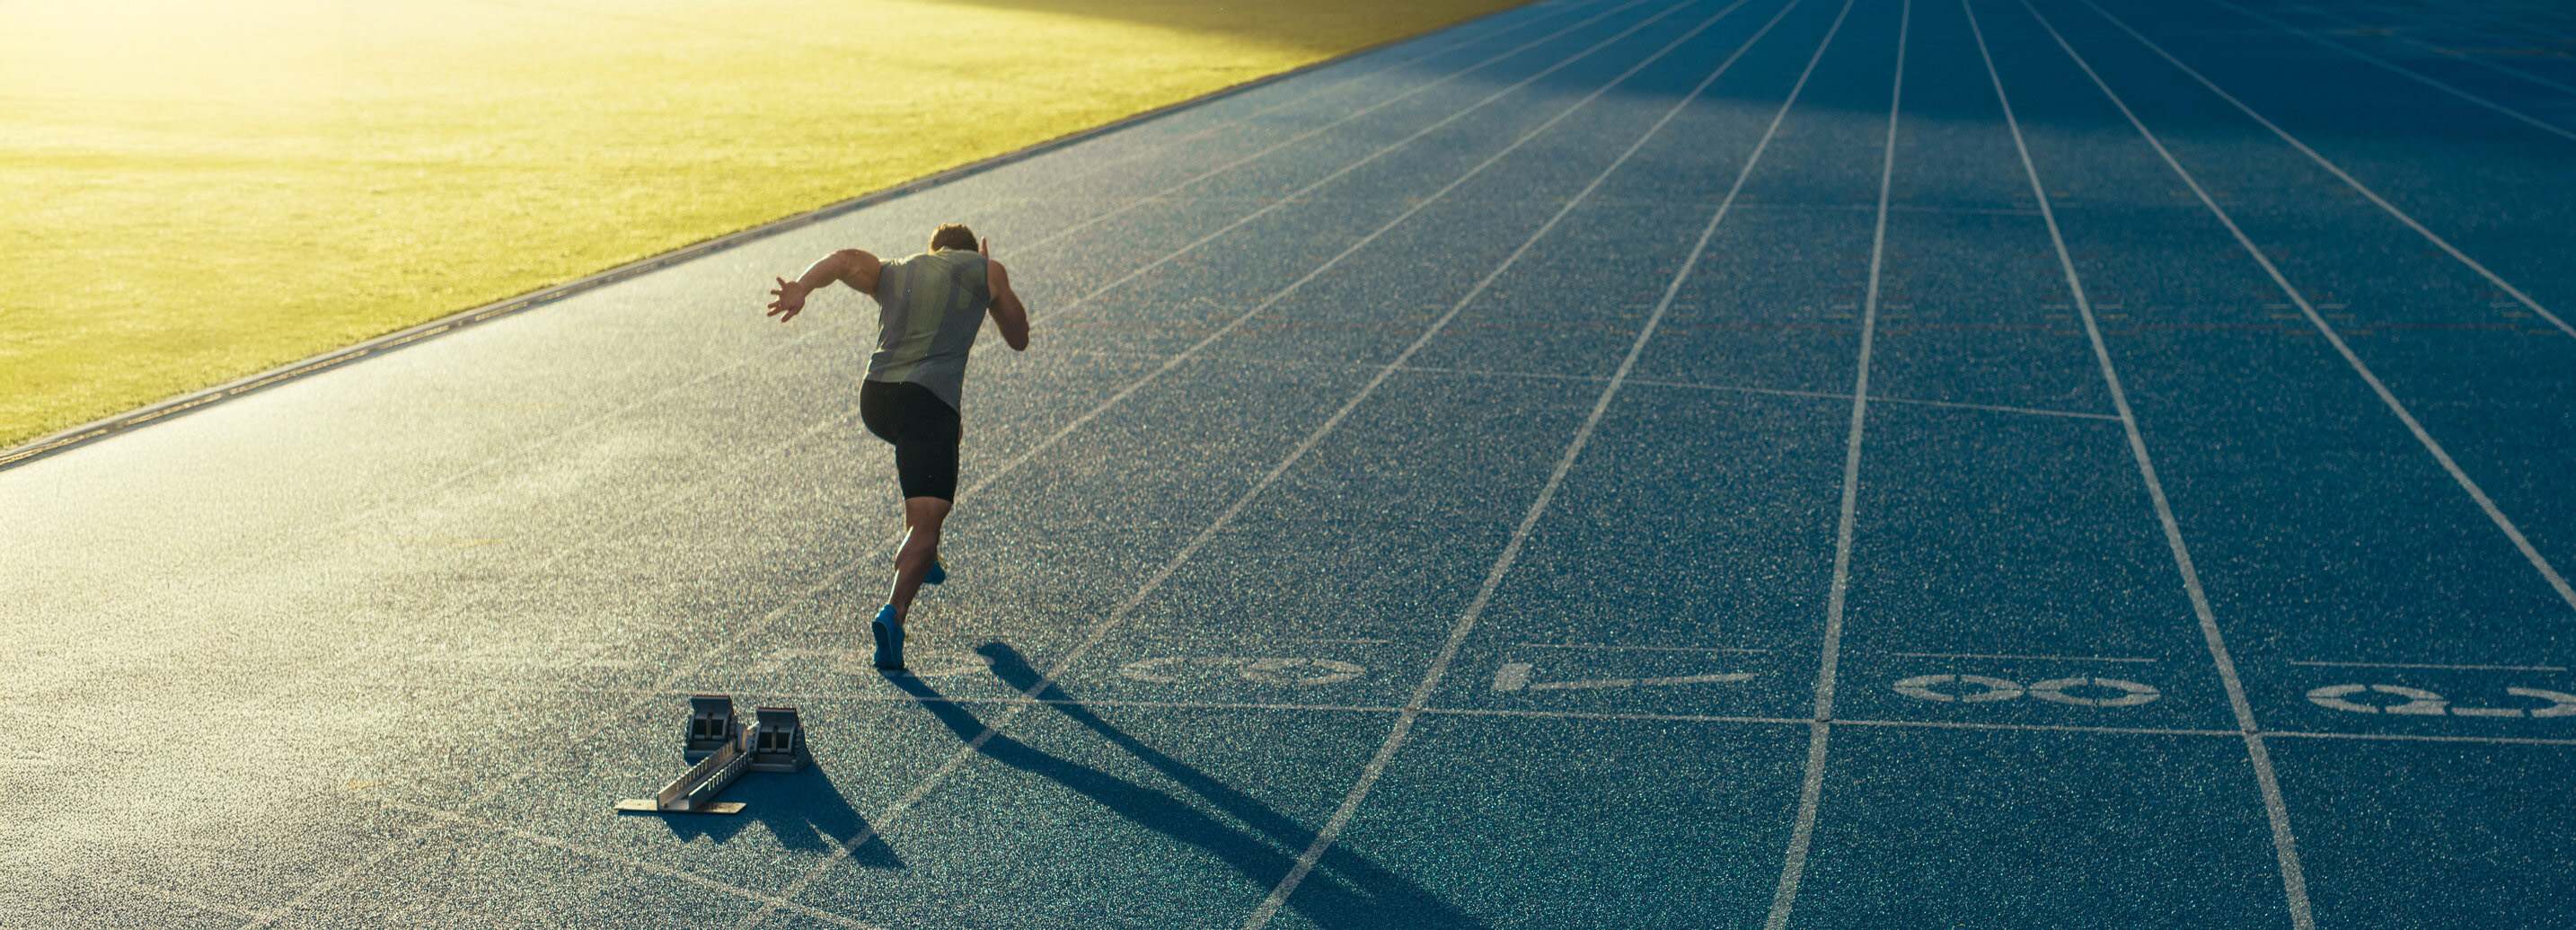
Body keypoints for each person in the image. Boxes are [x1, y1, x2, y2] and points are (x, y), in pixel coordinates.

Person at [764, 224, 1030, 670]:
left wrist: (802, 286)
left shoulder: (897, 269)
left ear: (934, 251)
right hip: (927, 404)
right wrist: (990, 278)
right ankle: (895, 611)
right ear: (971, 252)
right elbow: (1019, 336)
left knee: (937, 453)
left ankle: (926, 552)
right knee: (927, 520)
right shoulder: (985, 269)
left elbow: (845, 257)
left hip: (878, 399)